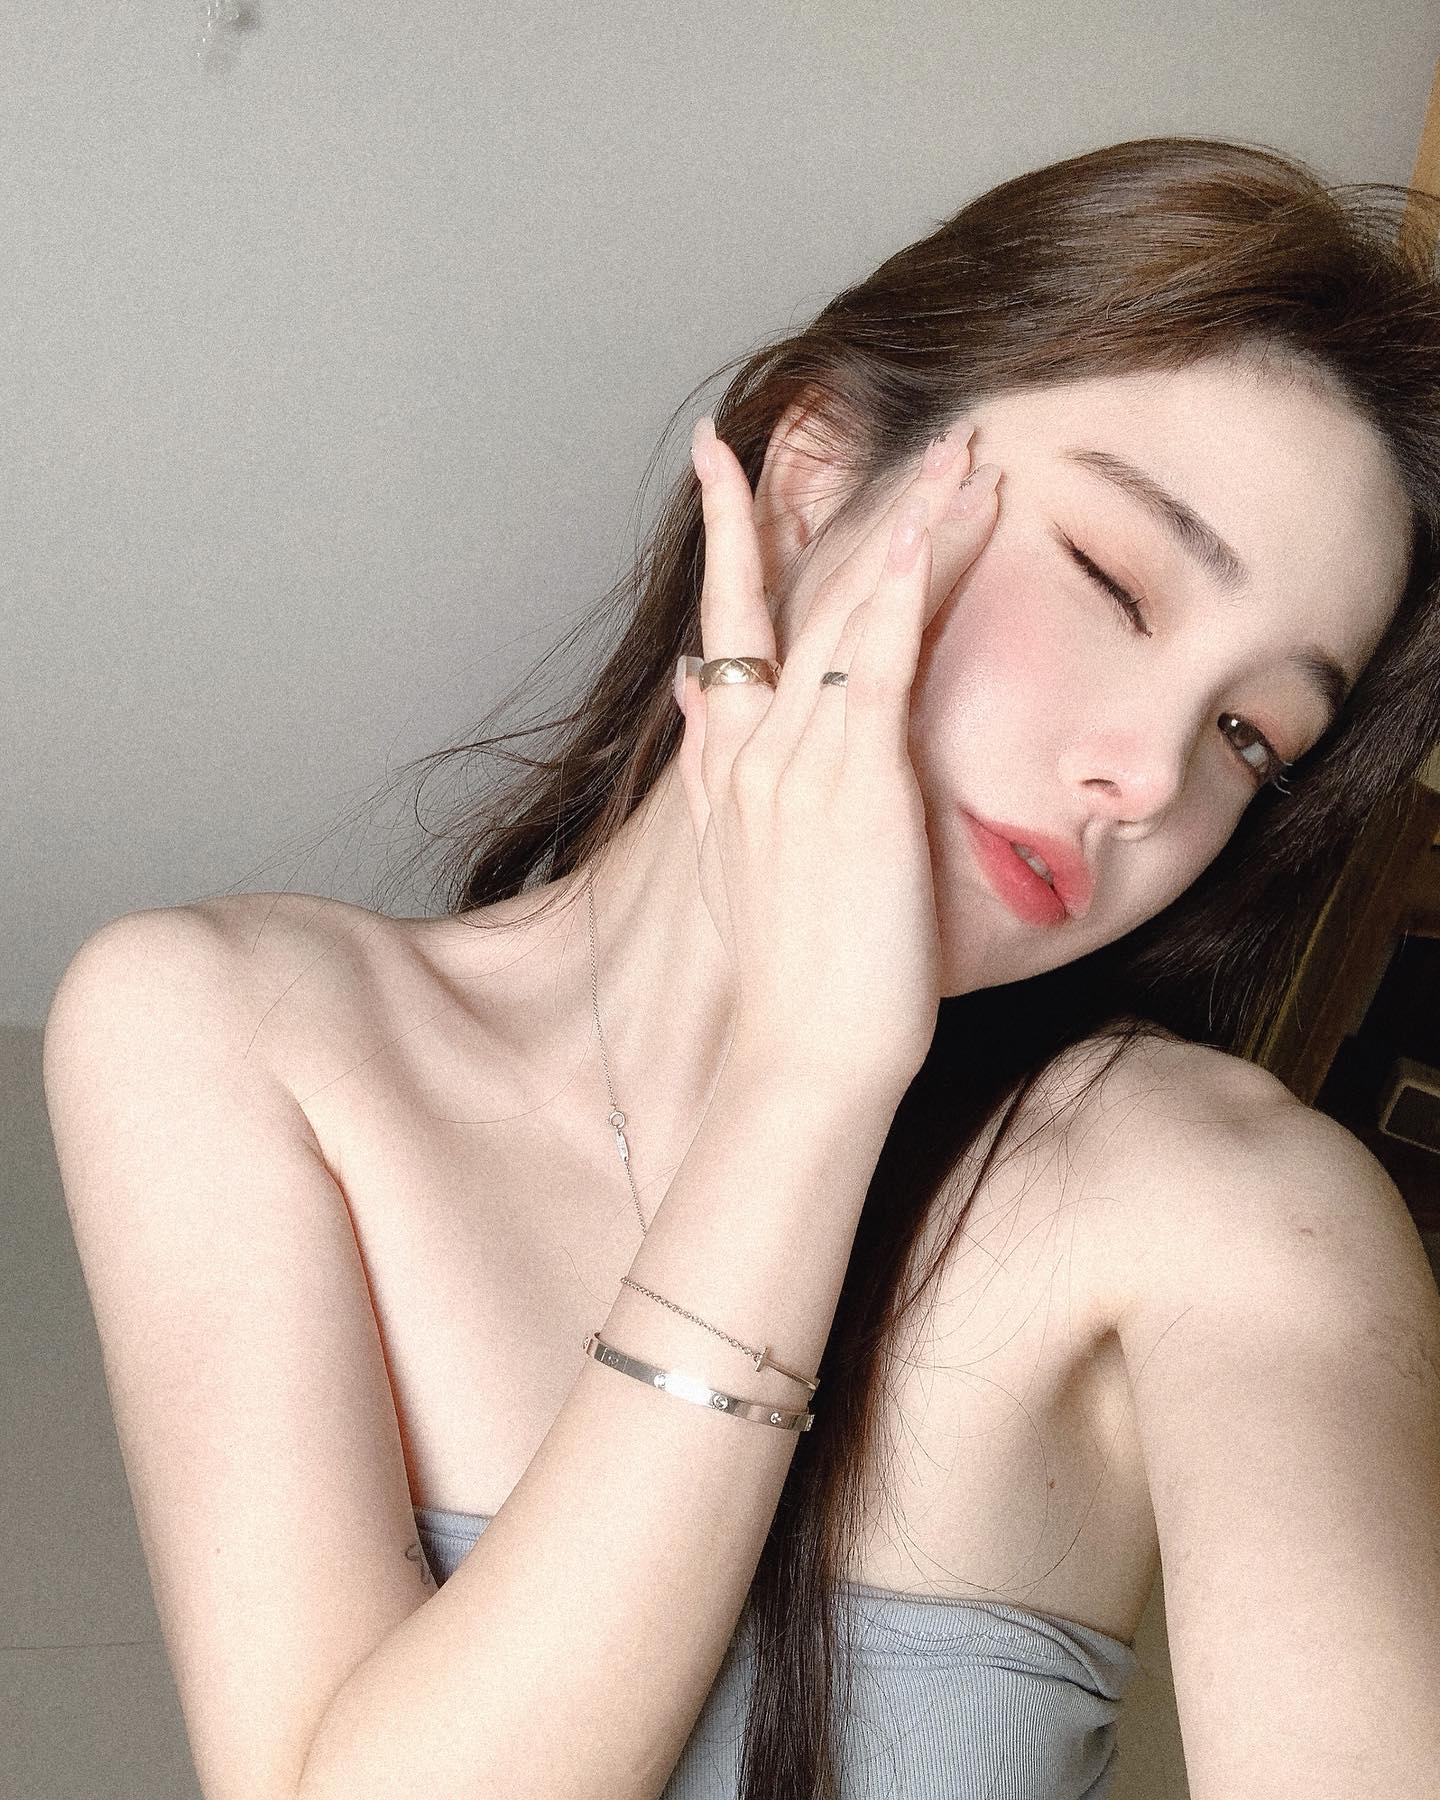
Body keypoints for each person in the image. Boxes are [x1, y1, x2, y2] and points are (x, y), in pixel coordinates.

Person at [43, 135, 1440, 1800]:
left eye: (1251, 736)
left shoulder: (1234, 1206)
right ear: (811, 482)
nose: (1145, 776)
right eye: (1112, 580)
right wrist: (807, 1083)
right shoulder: (235, 1032)